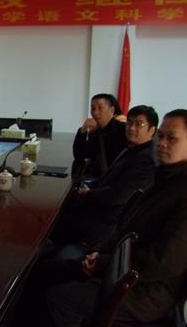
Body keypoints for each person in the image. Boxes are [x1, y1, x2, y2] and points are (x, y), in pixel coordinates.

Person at [14, 109, 187, 327]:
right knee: (41, 270)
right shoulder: (169, 179)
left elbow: (163, 262)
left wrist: (103, 263)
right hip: (121, 268)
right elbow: (128, 228)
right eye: (161, 136)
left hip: (144, 291)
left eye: (171, 138)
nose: (162, 143)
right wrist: (99, 253)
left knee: (60, 300)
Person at [51, 105, 158, 249]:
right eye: (129, 123)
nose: (132, 128)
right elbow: (107, 177)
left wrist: (89, 194)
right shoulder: (133, 149)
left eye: (139, 124)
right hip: (100, 205)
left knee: (56, 218)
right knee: (60, 208)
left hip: (105, 221)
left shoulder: (146, 160)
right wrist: (90, 188)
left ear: (152, 130)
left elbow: (119, 195)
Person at [72, 93, 127, 178]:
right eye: (93, 108)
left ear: (112, 110)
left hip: (114, 179)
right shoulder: (96, 130)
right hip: (98, 178)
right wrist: (83, 131)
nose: (95, 112)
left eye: (100, 108)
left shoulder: (122, 129)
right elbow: (79, 155)